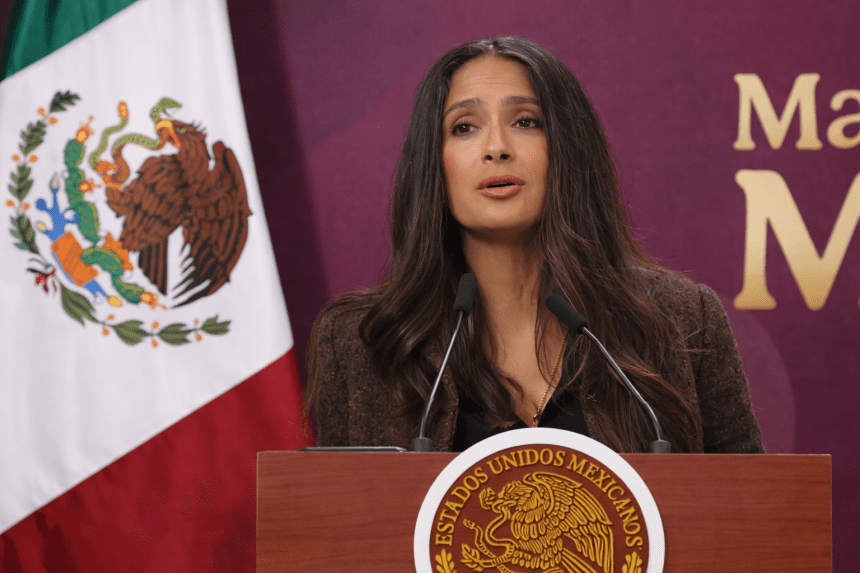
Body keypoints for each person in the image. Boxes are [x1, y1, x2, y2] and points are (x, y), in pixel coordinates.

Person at [304, 37, 764, 454]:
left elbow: (753, 519)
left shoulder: (682, 320)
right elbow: (337, 534)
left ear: (567, 148)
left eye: (526, 121)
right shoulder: (362, 340)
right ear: (433, 164)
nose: (496, 148)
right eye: (464, 127)